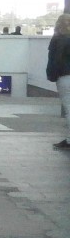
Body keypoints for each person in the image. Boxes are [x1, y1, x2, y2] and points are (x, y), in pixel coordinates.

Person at [46, 13, 70, 150]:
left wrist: (52, 75)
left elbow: (55, 60)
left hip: (65, 77)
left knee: (69, 108)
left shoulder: (58, 39)